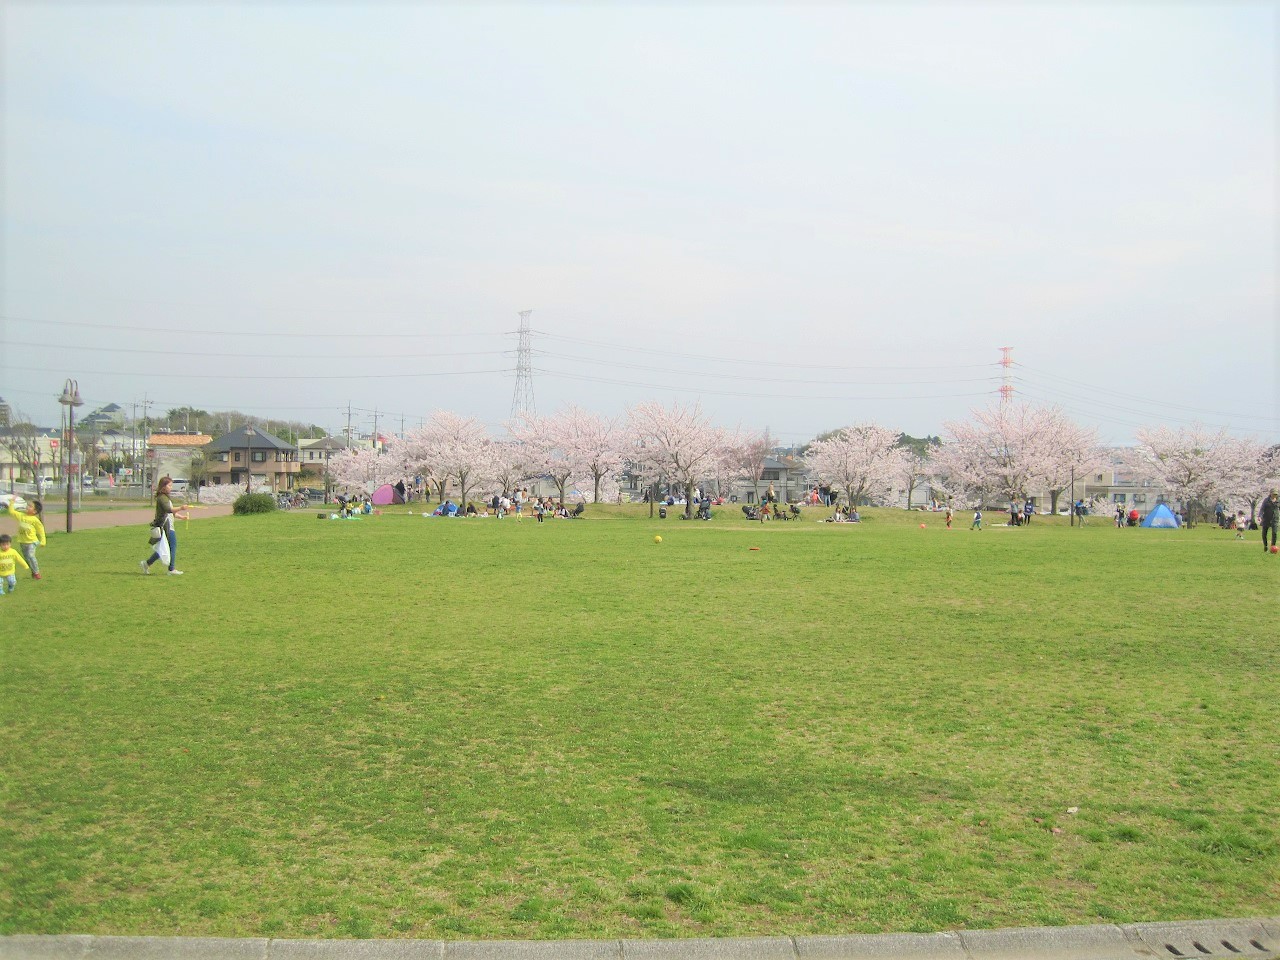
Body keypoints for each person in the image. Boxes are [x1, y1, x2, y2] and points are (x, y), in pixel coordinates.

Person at [141, 476, 190, 576]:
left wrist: (182, 517)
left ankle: (146, 563)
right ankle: (171, 569)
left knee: (163, 548)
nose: (171, 487)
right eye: (169, 485)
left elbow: (171, 513)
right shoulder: (162, 498)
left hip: (168, 525)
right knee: (172, 546)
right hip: (166, 527)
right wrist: (181, 507)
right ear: (163, 486)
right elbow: (168, 510)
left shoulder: (165, 497)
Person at [5, 497, 46, 580]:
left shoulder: (35, 520)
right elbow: (11, 511)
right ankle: (33, 572)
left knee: (31, 556)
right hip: (22, 542)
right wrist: (12, 502)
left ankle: (37, 572)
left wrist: (43, 540)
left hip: (32, 542)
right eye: (28, 505)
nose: (27, 507)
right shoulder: (21, 516)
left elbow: (41, 529)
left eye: (30, 506)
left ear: (34, 511)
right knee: (27, 559)